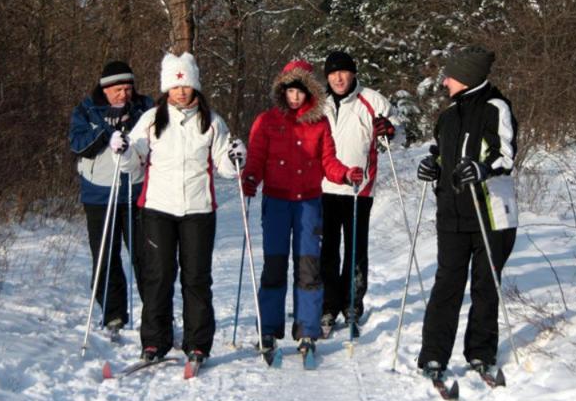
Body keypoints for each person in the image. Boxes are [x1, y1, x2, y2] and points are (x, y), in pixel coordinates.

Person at [126, 53, 242, 373]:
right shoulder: (151, 119)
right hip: (157, 209)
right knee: (159, 276)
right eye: (175, 86)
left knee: (196, 278)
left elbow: (224, 164)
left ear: (195, 86)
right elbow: (133, 162)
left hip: (198, 210)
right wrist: (122, 148)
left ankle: (198, 343)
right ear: (167, 88)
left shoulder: (212, 120)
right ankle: (154, 341)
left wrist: (235, 159)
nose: (181, 92)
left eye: (186, 85)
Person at [240, 59, 364, 359]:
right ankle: (268, 329)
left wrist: (345, 173)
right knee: (274, 267)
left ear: (309, 93)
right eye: (289, 91)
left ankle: (307, 331)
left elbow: (328, 161)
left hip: (308, 204)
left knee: (308, 268)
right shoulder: (266, 121)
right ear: (281, 91)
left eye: (300, 92)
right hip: (277, 203)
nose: (294, 97)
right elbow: (256, 157)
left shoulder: (319, 122)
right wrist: (250, 178)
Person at [416, 45, 519, 382]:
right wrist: (434, 166)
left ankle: (480, 352)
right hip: (452, 215)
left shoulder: (495, 108)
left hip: (490, 213)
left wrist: (482, 168)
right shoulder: (447, 117)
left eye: (451, 75)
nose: (445, 81)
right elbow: (445, 157)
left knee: (485, 287)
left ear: (467, 76)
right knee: (446, 285)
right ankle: (433, 356)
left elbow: (506, 155)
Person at [69, 60, 152, 336]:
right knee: (106, 256)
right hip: (99, 192)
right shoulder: (87, 109)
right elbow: (78, 145)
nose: (123, 94)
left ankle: (155, 313)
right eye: (117, 89)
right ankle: (113, 313)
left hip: (136, 191)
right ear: (105, 89)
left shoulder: (144, 107)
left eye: (128, 88)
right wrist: (107, 130)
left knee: (146, 256)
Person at [318, 50, 397, 337]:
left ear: (353, 73)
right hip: (325, 187)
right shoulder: (321, 104)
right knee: (327, 250)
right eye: (332, 73)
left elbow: (394, 131)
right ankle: (328, 304)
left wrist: (388, 130)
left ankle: (352, 302)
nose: (338, 78)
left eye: (343, 72)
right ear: (327, 77)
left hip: (358, 188)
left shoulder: (372, 100)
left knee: (354, 247)